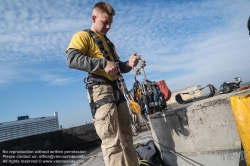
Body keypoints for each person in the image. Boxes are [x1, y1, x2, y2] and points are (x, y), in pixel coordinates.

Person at [66, 2, 140, 166]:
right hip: (101, 91)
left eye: (110, 23)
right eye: (104, 22)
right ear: (94, 18)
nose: (108, 26)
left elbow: (116, 67)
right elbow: (71, 59)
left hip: (117, 90)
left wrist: (129, 63)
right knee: (112, 142)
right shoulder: (82, 36)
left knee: (127, 137)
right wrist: (102, 63)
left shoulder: (108, 42)